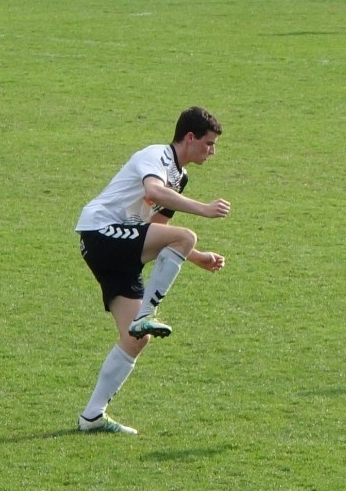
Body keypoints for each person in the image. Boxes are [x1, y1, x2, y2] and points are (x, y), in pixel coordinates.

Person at [75, 106, 231, 434]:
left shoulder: (180, 177)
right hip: (101, 232)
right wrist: (204, 210)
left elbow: (158, 228)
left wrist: (197, 257)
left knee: (136, 339)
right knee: (186, 235)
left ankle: (92, 416)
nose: (212, 151)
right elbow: (153, 192)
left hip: (119, 245)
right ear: (190, 137)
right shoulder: (156, 155)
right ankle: (147, 312)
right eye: (209, 143)